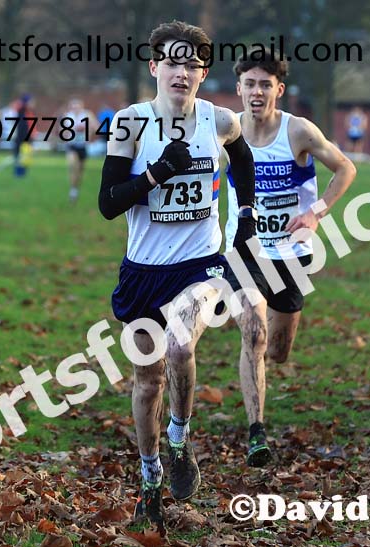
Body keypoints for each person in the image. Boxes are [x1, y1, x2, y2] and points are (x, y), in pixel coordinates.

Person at [97, 20, 257, 532]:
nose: (181, 72)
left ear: (203, 72)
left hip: (200, 264)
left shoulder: (220, 121)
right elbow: (107, 204)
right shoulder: (130, 123)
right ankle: (149, 482)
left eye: (191, 64)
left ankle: (180, 438)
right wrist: (156, 173)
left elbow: (241, 155)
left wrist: (247, 211)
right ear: (154, 67)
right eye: (172, 62)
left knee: (181, 347)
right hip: (143, 270)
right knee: (147, 382)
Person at [224, 54, 356, 467]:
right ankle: (256, 432)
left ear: (278, 89)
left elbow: (345, 168)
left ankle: (257, 365)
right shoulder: (226, 131)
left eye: (265, 84)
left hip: (291, 254)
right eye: (250, 83)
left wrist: (316, 213)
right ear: (240, 88)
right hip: (245, 251)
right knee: (255, 334)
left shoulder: (298, 131)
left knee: (277, 351)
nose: (257, 91)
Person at [63, 99, 95, 202]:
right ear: (70, 107)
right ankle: (72, 190)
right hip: (71, 145)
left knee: (80, 172)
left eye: (78, 107)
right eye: (74, 107)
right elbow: (62, 132)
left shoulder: (88, 115)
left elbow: (96, 127)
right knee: (73, 166)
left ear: (82, 107)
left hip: (82, 146)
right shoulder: (67, 116)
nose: (76, 109)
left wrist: (87, 128)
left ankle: (75, 189)